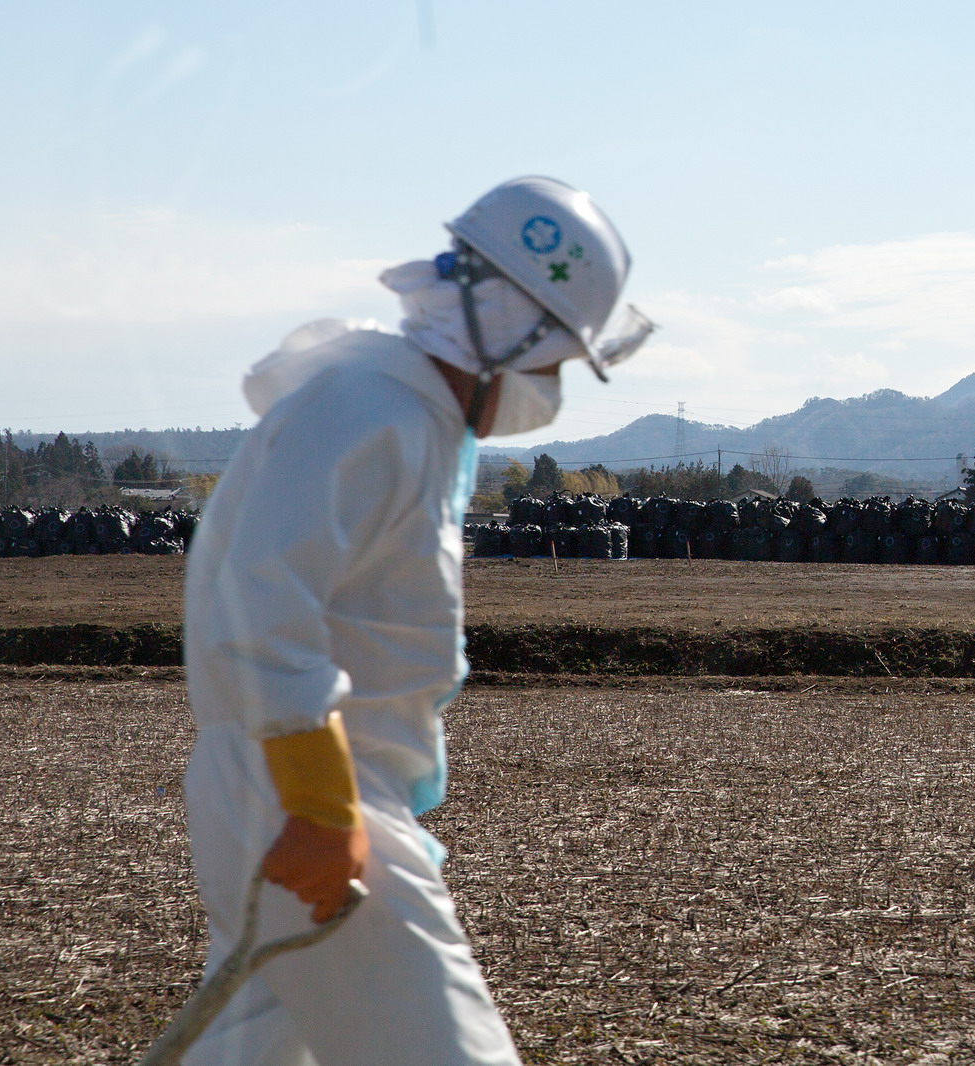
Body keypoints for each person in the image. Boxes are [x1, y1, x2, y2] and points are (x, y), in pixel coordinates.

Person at [180, 176, 653, 1066]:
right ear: (513, 325)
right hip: (309, 786)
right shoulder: (371, 407)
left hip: (310, 784)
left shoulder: (415, 418)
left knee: (253, 1051)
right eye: (551, 360)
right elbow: (259, 600)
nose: (548, 386)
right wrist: (320, 800)